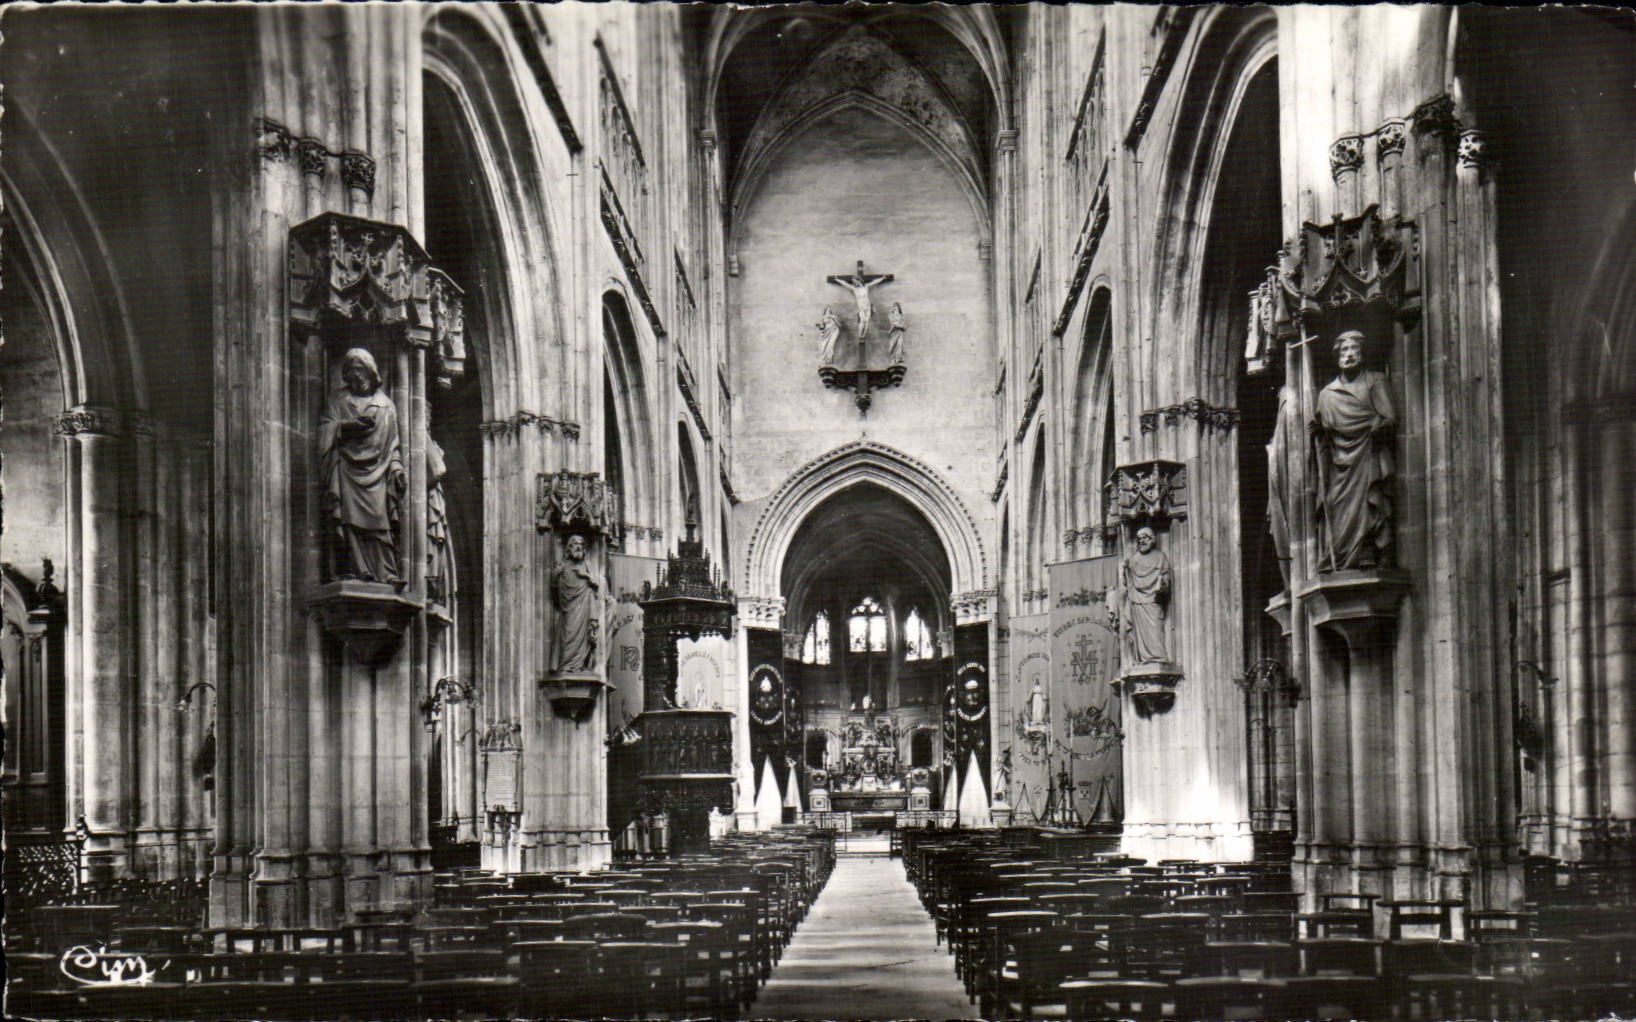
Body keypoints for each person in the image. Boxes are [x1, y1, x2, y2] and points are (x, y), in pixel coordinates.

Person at [1310, 329, 1396, 571]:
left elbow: (1389, 417)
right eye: (1344, 350)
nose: (1349, 355)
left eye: (1354, 350)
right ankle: (1337, 553)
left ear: (1362, 354)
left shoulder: (1375, 380)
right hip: (1338, 463)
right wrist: (1318, 430)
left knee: (1369, 503)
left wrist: (1374, 427)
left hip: (1367, 455)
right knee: (1337, 505)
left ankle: (1367, 552)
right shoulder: (1326, 394)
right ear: (1337, 356)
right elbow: (1322, 428)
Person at [318, 348, 405, 583]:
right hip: (347, 469)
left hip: (378, 471)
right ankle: (357, 570)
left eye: (361, 372)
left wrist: (396, 469)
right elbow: (326, 429)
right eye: (352, 373)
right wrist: (347, 426)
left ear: (371, 372)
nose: (357, 378)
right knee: (349, 522)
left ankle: (386, 572)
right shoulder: (338, 400)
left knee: (380, 520)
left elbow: (393, 445)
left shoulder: (386, 406)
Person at [551, 533, 603, 674]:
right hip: (569, 608)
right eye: (575, 545)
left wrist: (585, 575)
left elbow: (597, 584)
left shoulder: (586, 565)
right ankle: (565, 666)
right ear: (568, 548)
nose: (578, 548)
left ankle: (580, 665)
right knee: (568, 635)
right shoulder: (563, 565)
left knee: (583, 638)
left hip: (584, 608)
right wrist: (557, 573)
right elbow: (554, 586)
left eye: (581, 546)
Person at [1122, 526, 1172, 664]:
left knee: (1155, 630)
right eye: (1139, 539)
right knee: (1140, 634)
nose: (1142, 541)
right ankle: (1143, 658)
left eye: (1145, 538)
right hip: (1137, 601)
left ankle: (1158, 657)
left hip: (1153, 600)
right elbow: (1127, 582)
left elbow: (1165, 577)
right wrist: (1125, 569)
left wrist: (1163, 585)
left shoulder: (1160, 557)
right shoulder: (1134, 559)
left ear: (1152, 539)